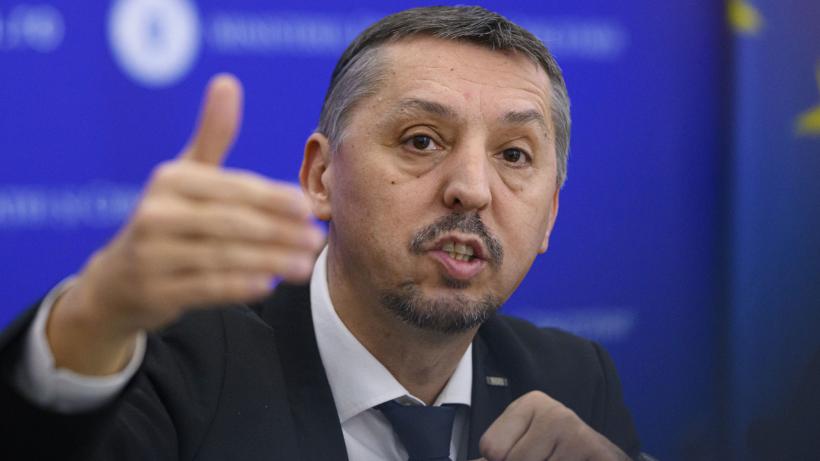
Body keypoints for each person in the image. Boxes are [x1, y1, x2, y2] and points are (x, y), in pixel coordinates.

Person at [0, 6, 645, 461]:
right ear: (320, 177)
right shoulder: (180, 364)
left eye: (514, 155)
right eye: (422, 140)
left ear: (549, 216)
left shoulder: (574, 380)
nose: (472, 188)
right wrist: (95, 317)